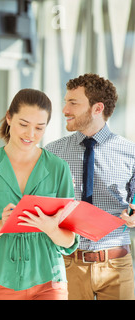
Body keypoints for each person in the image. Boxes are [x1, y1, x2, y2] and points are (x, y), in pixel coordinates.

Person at [0, 88, 79, 300]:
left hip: (49, 279)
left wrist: (51, 229)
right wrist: (0, 226)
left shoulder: (58, 168)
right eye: (23, 124)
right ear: (9, 118)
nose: (30, 134)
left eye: (39, 128)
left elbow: (70, 241)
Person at [45, 73, 135, 300]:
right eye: (66, 102)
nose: (65, 110)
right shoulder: (53, 152)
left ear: (97, 108)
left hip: (116, 265)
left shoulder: (130, 153)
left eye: (73, 103)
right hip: (66, 263)